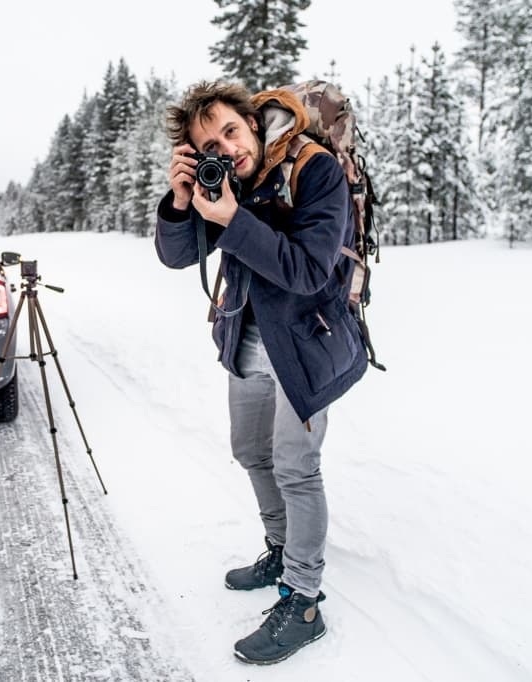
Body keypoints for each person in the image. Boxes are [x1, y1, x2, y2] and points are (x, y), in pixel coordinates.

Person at [154, 80, 368, 665]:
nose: (227, 147)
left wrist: (233, 219)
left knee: (297, 468)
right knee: (250, 450)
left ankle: (303, 598)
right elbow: (177, 255)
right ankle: (279, 546)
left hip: (305, 346)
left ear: (251, 121)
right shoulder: (230, 182)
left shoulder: (313, 168)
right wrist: (181, 202)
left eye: (230, 130)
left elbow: (307, 271)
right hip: (246, 340)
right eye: (210, 144)